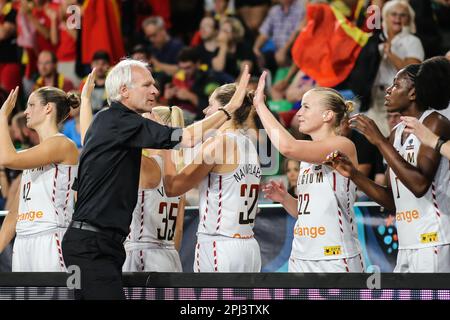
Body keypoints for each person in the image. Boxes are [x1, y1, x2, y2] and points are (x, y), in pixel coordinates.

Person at [61, 59, 251, 300]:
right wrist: (227, 110)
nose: (155, 91)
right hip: (94, 245)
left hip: (98, 243)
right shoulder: (120, 121)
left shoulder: (110, 124)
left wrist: (87, 102)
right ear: (124, 91)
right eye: (147, 85)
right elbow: (187, 138)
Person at [326, 57, 450, 272]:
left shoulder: (435, 122)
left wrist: (380, 141)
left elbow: (419, 185)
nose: (388, 90)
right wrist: (355, 175)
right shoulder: (396, 133)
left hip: (435, 239)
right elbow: (392, 201)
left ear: (412, 93)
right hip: (407, 242)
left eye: (396, 85)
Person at [78, 70, 187, 272]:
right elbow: (179, 228)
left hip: (139, 254)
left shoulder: (145, 165)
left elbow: (91, 141)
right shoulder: (180, 169)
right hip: (170, 255)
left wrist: (86, 100)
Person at [255, 72, 364, 272]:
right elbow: (304, 212)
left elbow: (288, 147)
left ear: (327, 115)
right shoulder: (307, 155)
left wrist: (260, 106)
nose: (298, 113)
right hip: (301, 256)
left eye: (306, 107)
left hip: (335, 256)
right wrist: (285, 198)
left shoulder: (343, 145)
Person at [162, 83, 262, 272]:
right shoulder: (249, 144)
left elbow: (174, 187)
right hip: (249, 246)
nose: (205, 110)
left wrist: (166, 149)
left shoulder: (218, 143)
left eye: (211, 104)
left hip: (219, 245)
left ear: (227, 108)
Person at [0, 86, 79, 271]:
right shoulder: (33, 154)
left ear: (48, 108)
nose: (26, 111)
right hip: (23, 239)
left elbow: (7, 159)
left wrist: (3, 117)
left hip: (51, 236)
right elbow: (15, 212)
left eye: (31, 105)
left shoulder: (63, 144)